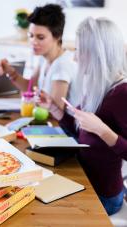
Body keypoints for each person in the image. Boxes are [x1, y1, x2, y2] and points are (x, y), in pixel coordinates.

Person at [39, 17, 127, 215]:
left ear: (97, 54)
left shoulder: (122, 93)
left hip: (103, 194)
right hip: (83, 177)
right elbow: (80, 132)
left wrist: (102, 130)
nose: (75, 58)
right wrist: (54, 108)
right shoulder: (97, 85)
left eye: (78, 50)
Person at [0, 4, 77, 109]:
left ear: (58, 36)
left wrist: (29, 103)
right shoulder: (44, 57)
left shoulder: (62, 66)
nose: (33, 41)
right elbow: (30, 88)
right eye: (31, 36)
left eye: (40, 37)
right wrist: (11, 72)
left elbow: (56, 112)